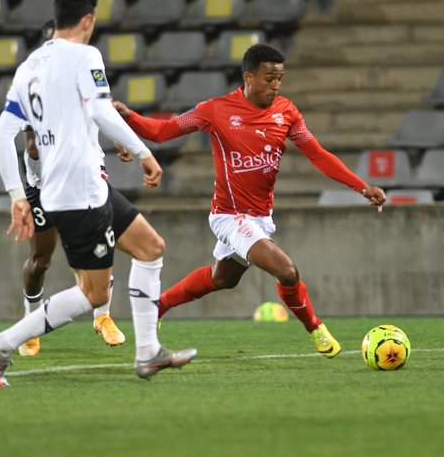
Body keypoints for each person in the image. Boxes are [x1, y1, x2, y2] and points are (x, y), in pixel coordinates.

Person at [0, 0, 196, 387]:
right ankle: (2, 344)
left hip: (79, 187)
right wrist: (143, 150)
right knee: (94, 295)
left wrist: (15, 195)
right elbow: (98, 107)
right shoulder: (85, 55)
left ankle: (148, 353)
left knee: (151, 248)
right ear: (87, 20)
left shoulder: (29, 66)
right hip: (78, 192)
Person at [113, 44, 386, 358]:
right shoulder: (214, 110)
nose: (276, 85)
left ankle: (158, 306)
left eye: (280, 79)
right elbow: (162, 132)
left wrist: (361, 186)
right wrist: (129, 117)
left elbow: (318, 155)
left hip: (260, 217)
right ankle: (315, 327)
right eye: (269, 78)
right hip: (230, 216)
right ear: (248, 77)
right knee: (287, 270)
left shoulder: (287, 112)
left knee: (222, 278)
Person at [14, 20, 161, 357]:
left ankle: (103, 316)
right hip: (44, 183)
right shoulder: (33, 84)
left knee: (103, 244)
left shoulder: (84, 72)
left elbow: (99, 109)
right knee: (40, 260)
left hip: (87, 176)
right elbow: (33, 145)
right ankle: (29, 320)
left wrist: (120, 138)